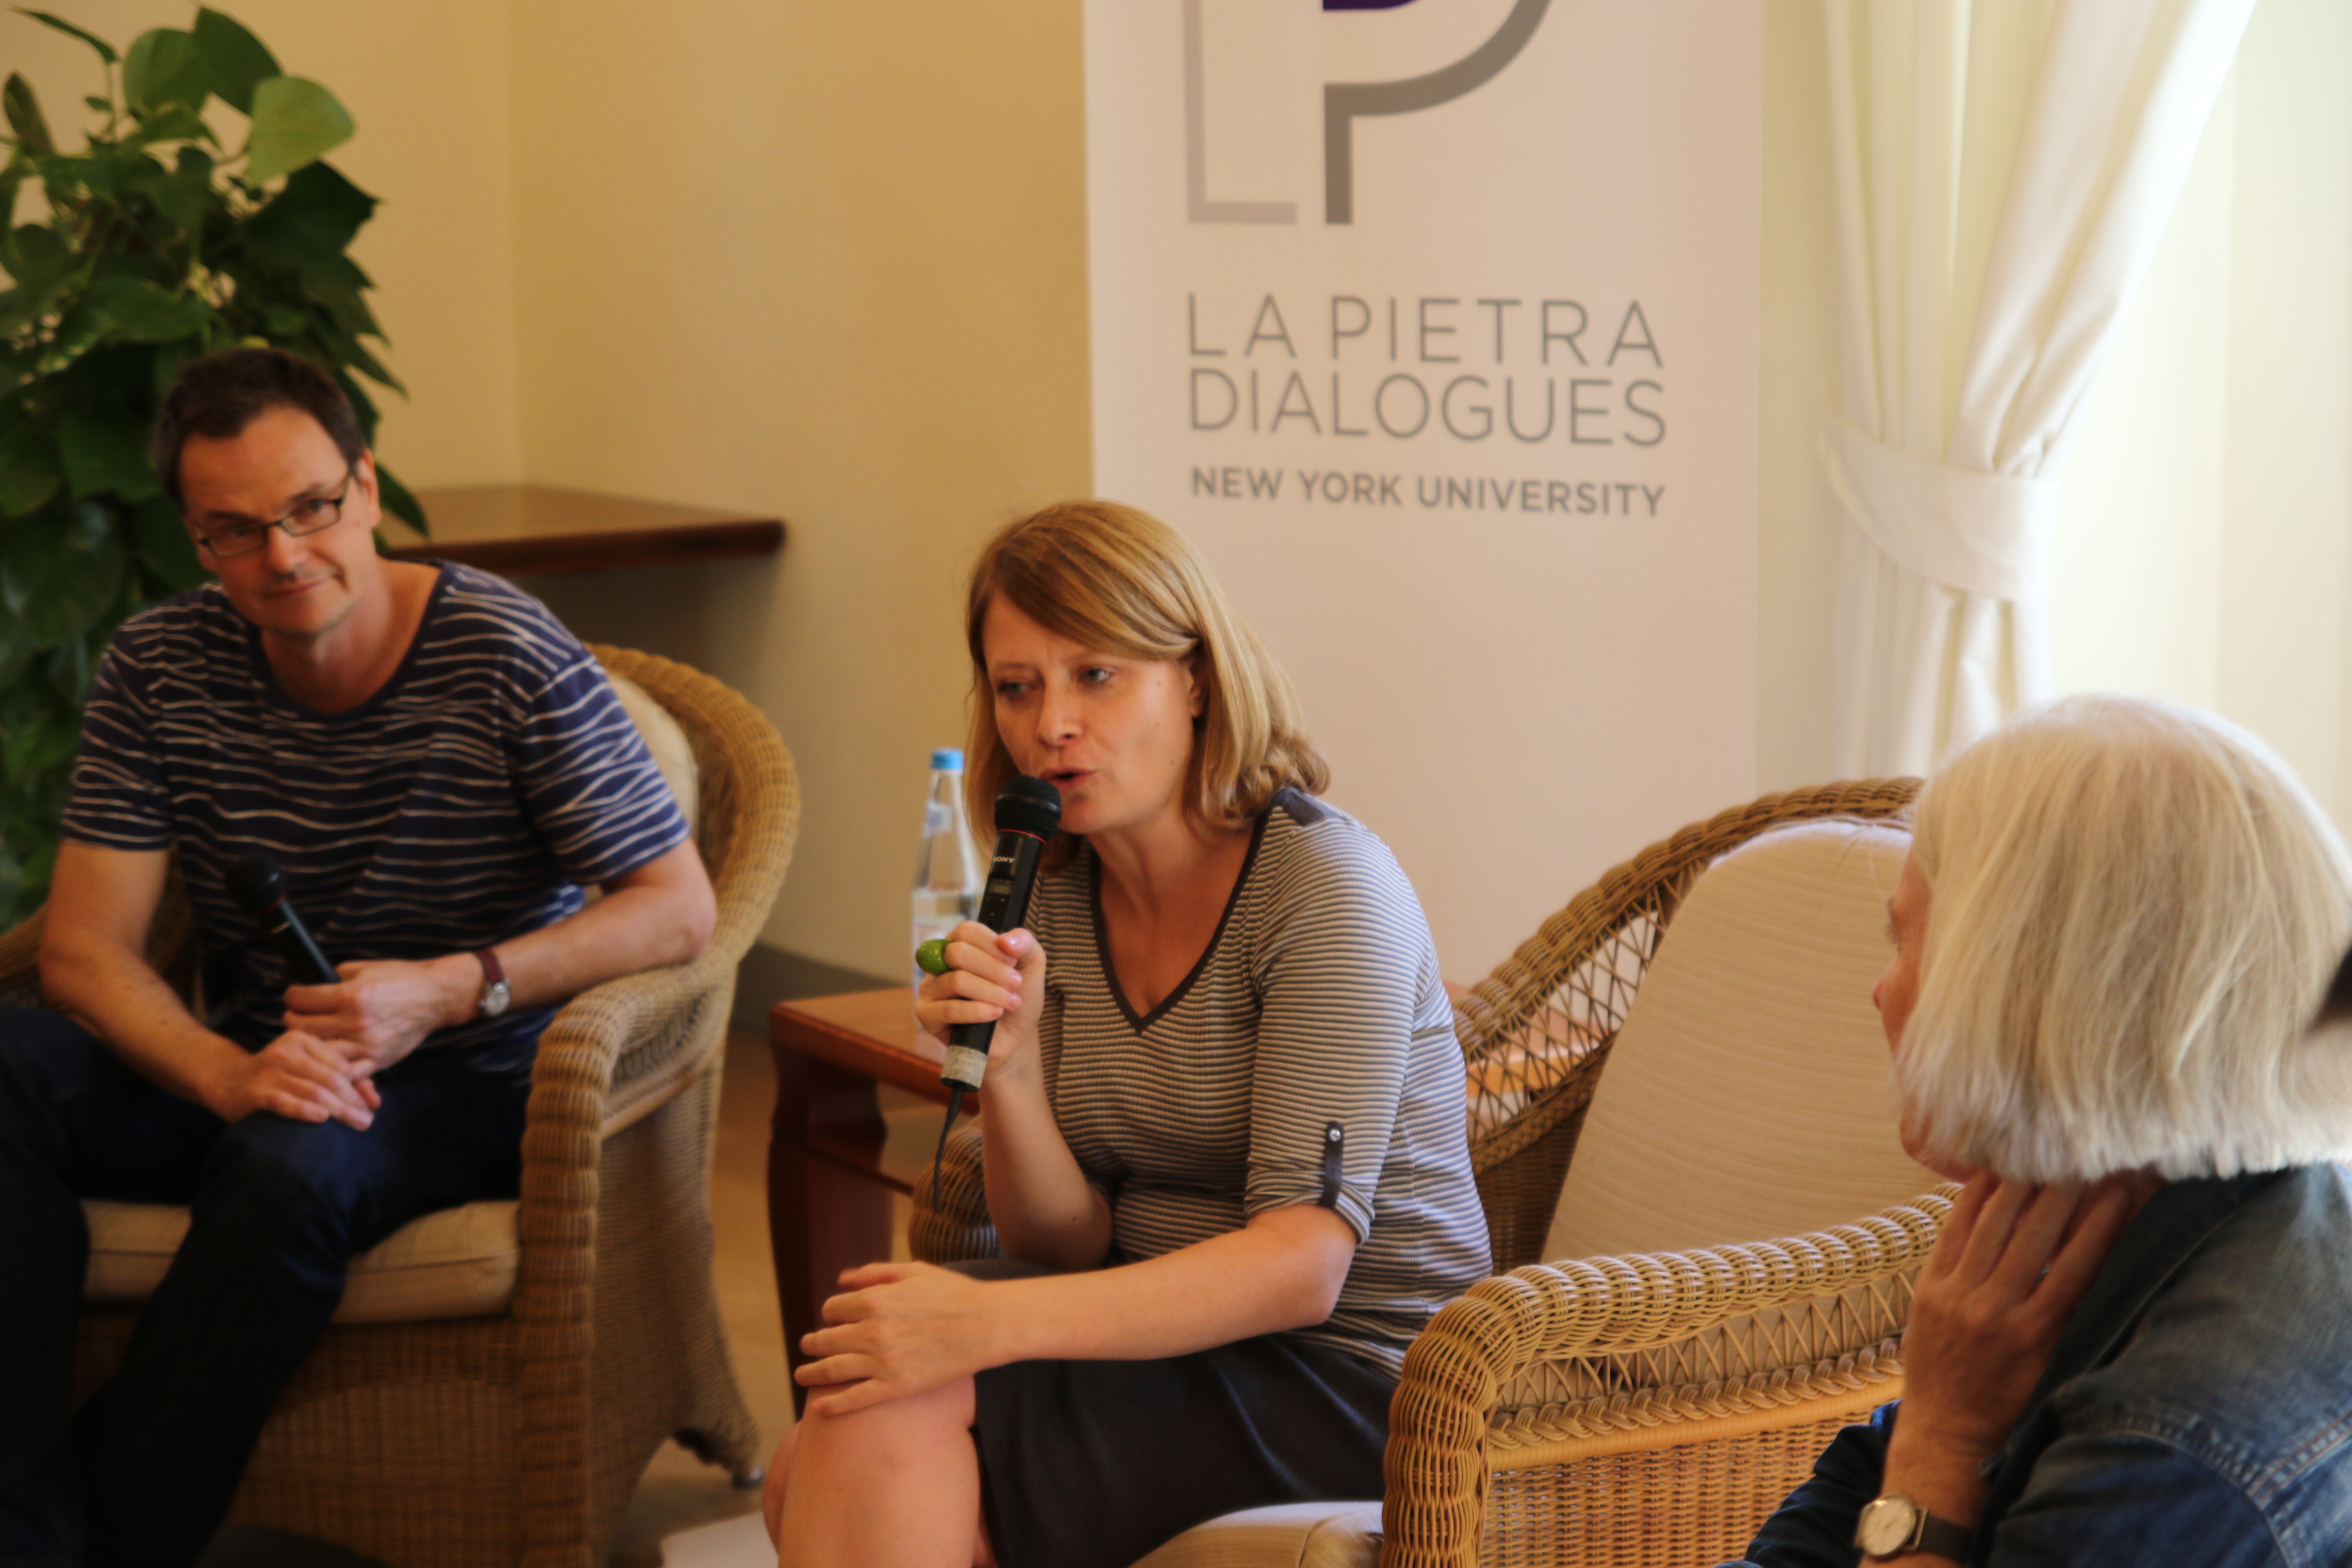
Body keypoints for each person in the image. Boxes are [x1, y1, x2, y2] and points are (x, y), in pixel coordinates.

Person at [0, 347, 717, 1567]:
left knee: (291, 1167)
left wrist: (449, 988)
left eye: (311, 508)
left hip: (471, 1076)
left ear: (368, 487)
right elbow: (81, 950)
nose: (284, 556)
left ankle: (105, 1541)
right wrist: (227, 1074)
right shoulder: (159, 664)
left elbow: (676, 909)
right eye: (235, 532)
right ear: (195, 540)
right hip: (257, 1063)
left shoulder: (505, 648)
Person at [764, 501, 1490, 1568]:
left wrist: (988, 1325)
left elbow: (1303, 1268)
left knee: (870, 1423)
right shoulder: (1055, 887)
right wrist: (1012, 1072)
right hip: (1156, 1343)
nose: (1052, 723)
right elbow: (1063, 1245)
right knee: (843, 1423)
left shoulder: (1326, 890)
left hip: (1359, 1378)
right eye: (1018, 687)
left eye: (1096, 675)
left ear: (1195, 679)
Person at [1730, 695, 2352, 1567]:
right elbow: (1830, 1518)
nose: (1881, 990)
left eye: (1906, 944)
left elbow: (1895, 1479)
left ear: (2026, 984)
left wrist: (1942, 1439)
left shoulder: (2172, 1441)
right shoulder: (2118, 1221)